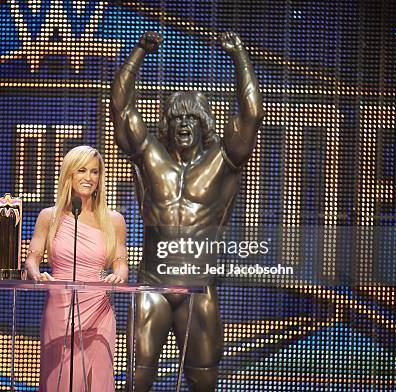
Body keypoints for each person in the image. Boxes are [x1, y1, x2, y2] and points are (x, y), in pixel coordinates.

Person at [110, 31, 263, 391]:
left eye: (191, 119)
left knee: (203, 378)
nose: (183, 125)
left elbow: (252, 114)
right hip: (153, 286)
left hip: (200, 286)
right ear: (167, 123)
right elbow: (119, 106)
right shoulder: (150, 155)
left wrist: (240, 55)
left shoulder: (223, 160)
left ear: (203, 125)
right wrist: (138, 53)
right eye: (177, 118)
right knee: (139, 376)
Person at [24, 145, 129, 391]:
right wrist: (37, 274)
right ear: (69, 174)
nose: (89, 178)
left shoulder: (113, 220)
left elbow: (121, 264)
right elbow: (32, 259)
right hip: (60, 309)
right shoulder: (49, 217)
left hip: (98, 311)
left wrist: (118, 277)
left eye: (95, 172)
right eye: (82, 170)